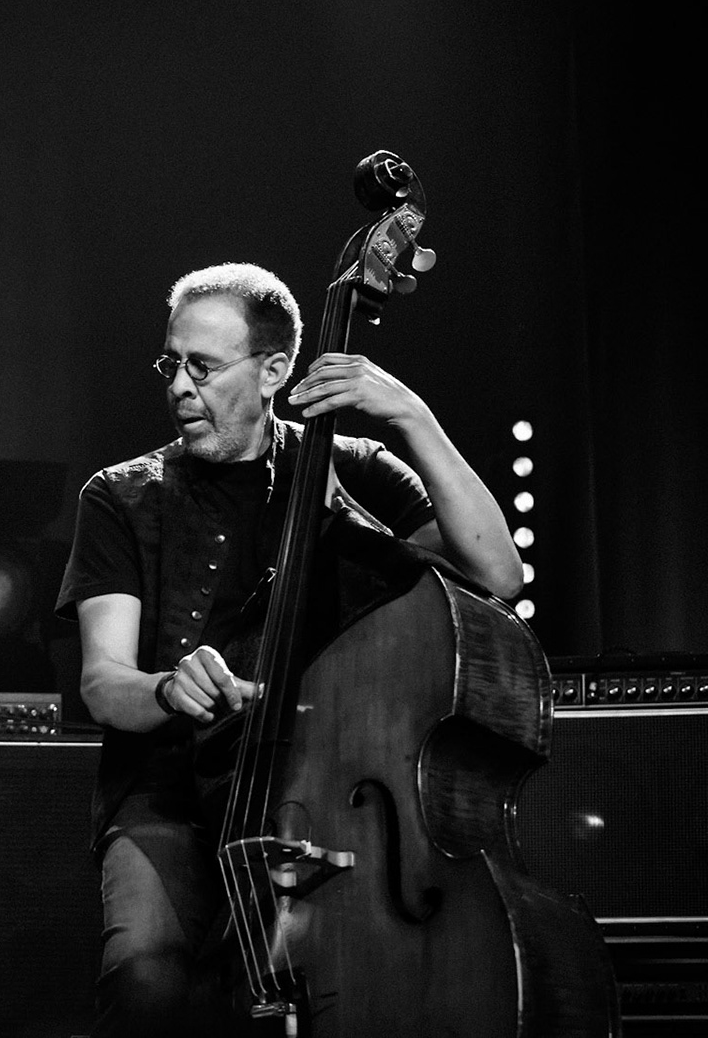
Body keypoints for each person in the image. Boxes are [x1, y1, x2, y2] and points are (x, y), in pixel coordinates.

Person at [57, 262, 522, 1037]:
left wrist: (409, 414)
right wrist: (171, 688)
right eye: (170, 363)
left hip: (320, 787)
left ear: (274, 370)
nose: (178, 385)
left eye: (202, 367)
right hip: (168, 794)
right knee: (147, 975)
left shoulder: (351, 471)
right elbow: (105, 682)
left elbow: (495, 572)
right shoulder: (120, 495)